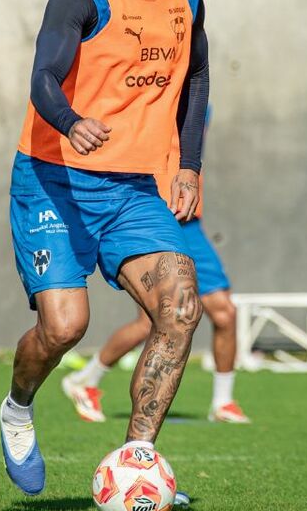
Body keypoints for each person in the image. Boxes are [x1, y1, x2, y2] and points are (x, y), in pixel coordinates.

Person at [0, 0, 210, 496]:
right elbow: (43, 75)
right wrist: (69, 120)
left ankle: (137, 458)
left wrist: (190, 164)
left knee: (180, 304)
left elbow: (197, 82)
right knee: (65, 327)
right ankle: (16, 406)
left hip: (131, 191)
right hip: (53, 180)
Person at [62, 114, 251, 424]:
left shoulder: (196, 90)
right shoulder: (151, 87)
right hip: (154, 214)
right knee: (151, 321)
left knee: (224, 312)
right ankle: (87, 379)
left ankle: (223, 401)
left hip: (189, 220)